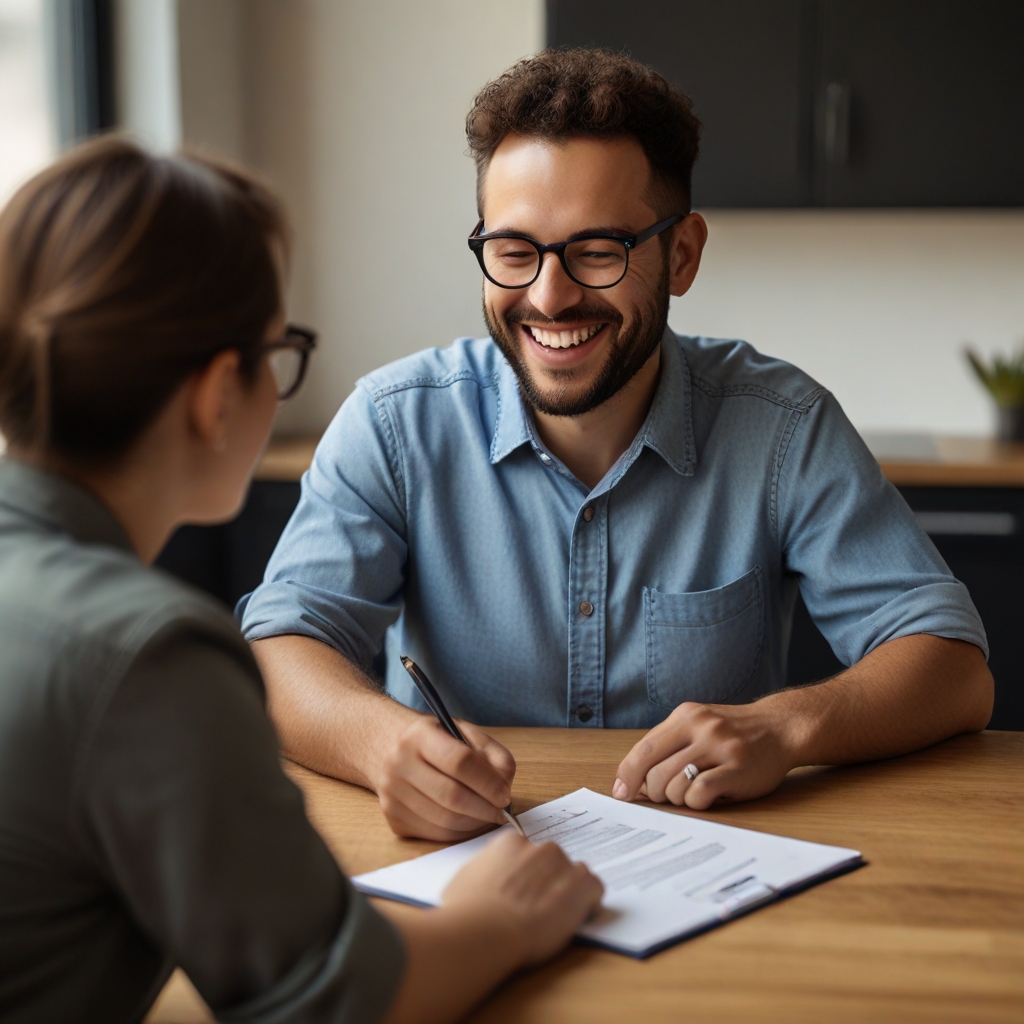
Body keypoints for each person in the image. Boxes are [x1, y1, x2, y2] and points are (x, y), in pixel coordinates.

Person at [239, 49, 993, 842]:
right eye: (514, 250)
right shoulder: (393, 425)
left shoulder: (782, 426)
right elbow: (282, 646)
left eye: (597, 251)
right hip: (469, 876)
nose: (548, 296)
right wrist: (382, 743)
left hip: (712, 881)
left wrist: (789, 725)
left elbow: (952, 669)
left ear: (684, 254)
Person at [0, 138, 602, 1024]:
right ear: (217, 396)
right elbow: (327, 1002)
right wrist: (501, 917)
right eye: (280, 352)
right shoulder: (151, 656)